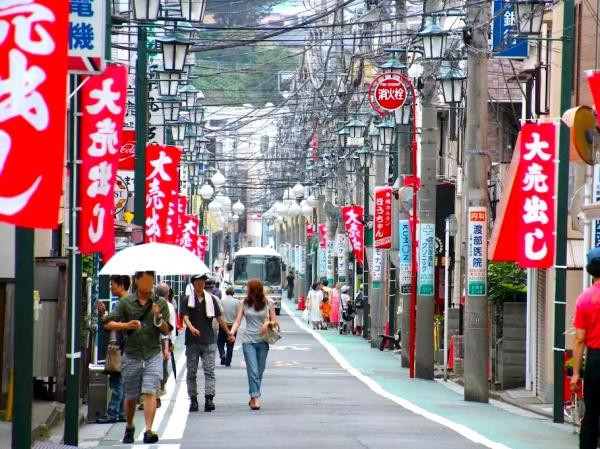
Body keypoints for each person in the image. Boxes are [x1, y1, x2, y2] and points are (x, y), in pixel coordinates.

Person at [102, 271, 172, 444]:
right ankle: (130, 425)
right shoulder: (126, 302)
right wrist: (127, 325)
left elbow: (166, 330)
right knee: (131, 395)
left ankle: (148, 430)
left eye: (151, 280)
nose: (149, 285)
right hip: (132, 354)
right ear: (136, 281)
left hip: (152, 353)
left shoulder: (160, 303)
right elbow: (108, 323)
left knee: (149, 391)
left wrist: (158, 316)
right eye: (145, 280)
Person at [181, 274, 235, 413]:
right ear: (193, 284)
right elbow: (185, 317)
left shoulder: (211, 299)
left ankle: (209, 399)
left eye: (202, 282)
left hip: (209, 339)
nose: (200, 284)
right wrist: (191, 328)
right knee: (191, 372)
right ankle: (193, 399)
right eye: (198, 282)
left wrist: (228, 333)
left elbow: (219, 317)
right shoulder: (187, 300)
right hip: (192, 341)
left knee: (209, 371)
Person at [230, 279, 278, 410]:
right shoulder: (244, 303)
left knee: (260, 371)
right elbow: (237, 320)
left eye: (248, 288)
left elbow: (275, 322)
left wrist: (267, 324)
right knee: (253, 370)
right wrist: (231, 333)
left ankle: (252, 397)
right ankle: (256, 397)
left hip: (263, 341)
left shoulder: (269, 303)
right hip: (248, 341)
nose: (246, 290)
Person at [572, 247, 600, 449]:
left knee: (592, 411)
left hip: (595, 360)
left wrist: (575, 374)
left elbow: (579, 340)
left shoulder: (584, 298)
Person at [96, 275, 130, 424]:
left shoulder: (122, 303)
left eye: (112, 285)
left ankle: (112, 413)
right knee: (122, 381)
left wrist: (103, 314)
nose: (110, 287)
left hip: (121, 347)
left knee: (117, 382)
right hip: (128, 347)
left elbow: (110, 323)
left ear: (121, 285)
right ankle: (122, 413)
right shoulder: (131, 301)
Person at [155, 283, 177, 407]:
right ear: (168, 293)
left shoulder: (151, 305)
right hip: (164, 341)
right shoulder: (169, 306)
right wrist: (171, 343)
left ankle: (153, 395)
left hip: (153, 341)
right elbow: (171, 326)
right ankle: (158, 393)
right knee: (162, 369)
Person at [217, 286, 239, 367]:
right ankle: (228, 361)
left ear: (226, 293)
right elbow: (238, 315)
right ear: (233, 293)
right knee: (230, 343)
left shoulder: (221, 301)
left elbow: (219, 313)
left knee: (220, 342)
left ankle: (222, 354)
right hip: (233, 326)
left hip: (223, 324)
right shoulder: (237, 302)